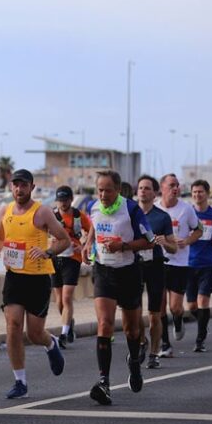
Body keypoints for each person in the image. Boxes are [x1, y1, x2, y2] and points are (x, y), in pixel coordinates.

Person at [0, 169, 68, 399]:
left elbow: (63, 240)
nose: (19, 189)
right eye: (15, 185)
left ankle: (50, 343)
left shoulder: (42, 212)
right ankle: (20, 381)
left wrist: (47, 251)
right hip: (14, 277)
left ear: (32, 187)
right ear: (10, 187)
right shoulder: (6, 210)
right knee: (13, 326)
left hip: (38, 279)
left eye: (23, 185)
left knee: (34, 333)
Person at [82, 170, 153, 405]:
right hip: (103, 271)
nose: (103, 194)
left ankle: (134, 361)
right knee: (104, 324)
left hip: (129, 272)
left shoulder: (131, 209)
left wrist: (123, 246)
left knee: (133, 329)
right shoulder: (93, 207)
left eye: (108, 190)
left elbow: (149, 240)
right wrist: (88, 243)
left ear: (118, 189)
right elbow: (94, 225)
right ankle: (104, 382)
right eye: (99, 189)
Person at [155, 173, 202, 357]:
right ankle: (165, 344)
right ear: (162, 188)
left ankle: (178, 319)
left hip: (180, 262)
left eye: (177, 185)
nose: (175, 188)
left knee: (175, 307)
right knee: (159, 305)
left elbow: (199, 229)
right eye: (171, 185)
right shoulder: (155, 209)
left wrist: (187, 241)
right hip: (158, 262)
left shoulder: (186, 209)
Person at [135, 175, 177, 369]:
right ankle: (142, 341)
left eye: (147, 188)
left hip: (156, 266)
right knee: (134, 313)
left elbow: (174, 248)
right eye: (140, 188)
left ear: (154, 193)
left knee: (154, 314)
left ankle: (153, 353)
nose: (143, 191)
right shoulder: (130, 214)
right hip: (134, 266)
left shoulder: (162, 217)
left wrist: (164, 242)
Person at [187, 180, 212, 352]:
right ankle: (203, 324)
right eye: (194, 192)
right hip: (188, 264)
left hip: (208, 264)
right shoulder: (187, 214)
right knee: (191, 306)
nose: (197, 195)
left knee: (203, 300)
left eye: (200, 192)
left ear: (207, 193)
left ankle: (200, 339)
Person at [50, 185, 91, 348]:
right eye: (60, 201)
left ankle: (64, 334)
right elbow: (40, 234)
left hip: (72, 259)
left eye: (65, 200)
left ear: (71, 199)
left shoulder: (77, 215)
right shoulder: (51, 216)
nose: (63, 204)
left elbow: (92, 231)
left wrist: (83, 247)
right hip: (55, 258)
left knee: (67, 297)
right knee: (59, 301)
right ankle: (69, 322)